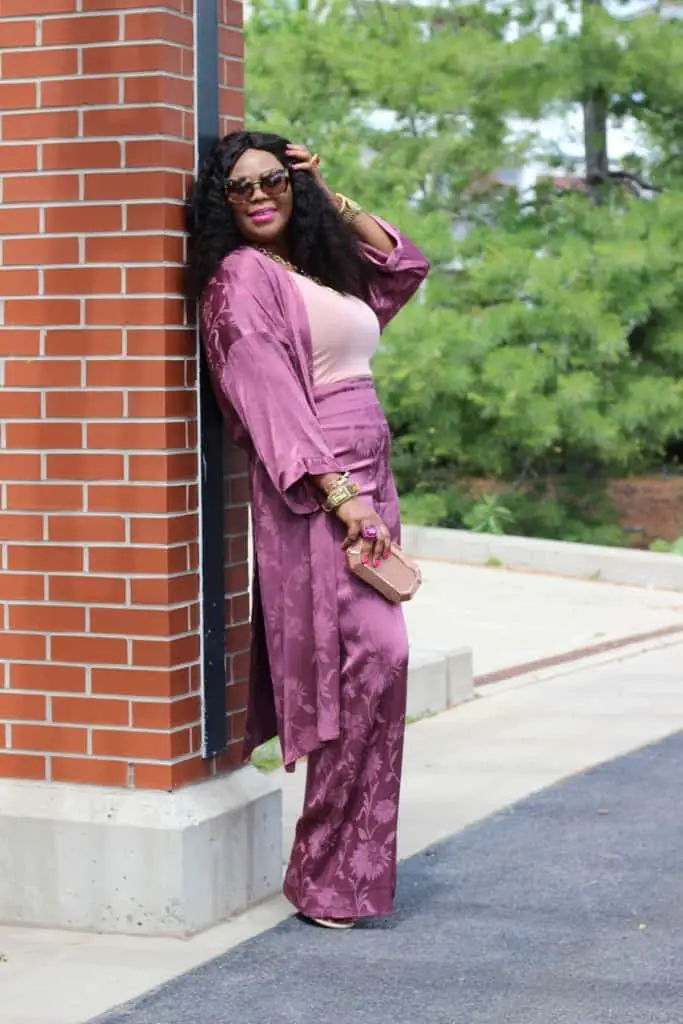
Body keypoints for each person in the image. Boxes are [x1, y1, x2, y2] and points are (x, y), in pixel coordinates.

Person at [188, 130, 429, 929]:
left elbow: (402, 266)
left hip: (369, 486)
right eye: (239, 188)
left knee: (374, 672)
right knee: (371, 661)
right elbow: (264, 394)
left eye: (273, 182)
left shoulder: (312, 271)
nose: (258, 197)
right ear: (220, 204)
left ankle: (342, 877)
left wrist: (330, 196)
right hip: (321, 492)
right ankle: (327, 870)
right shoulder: (238, 280)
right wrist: (341, 494)